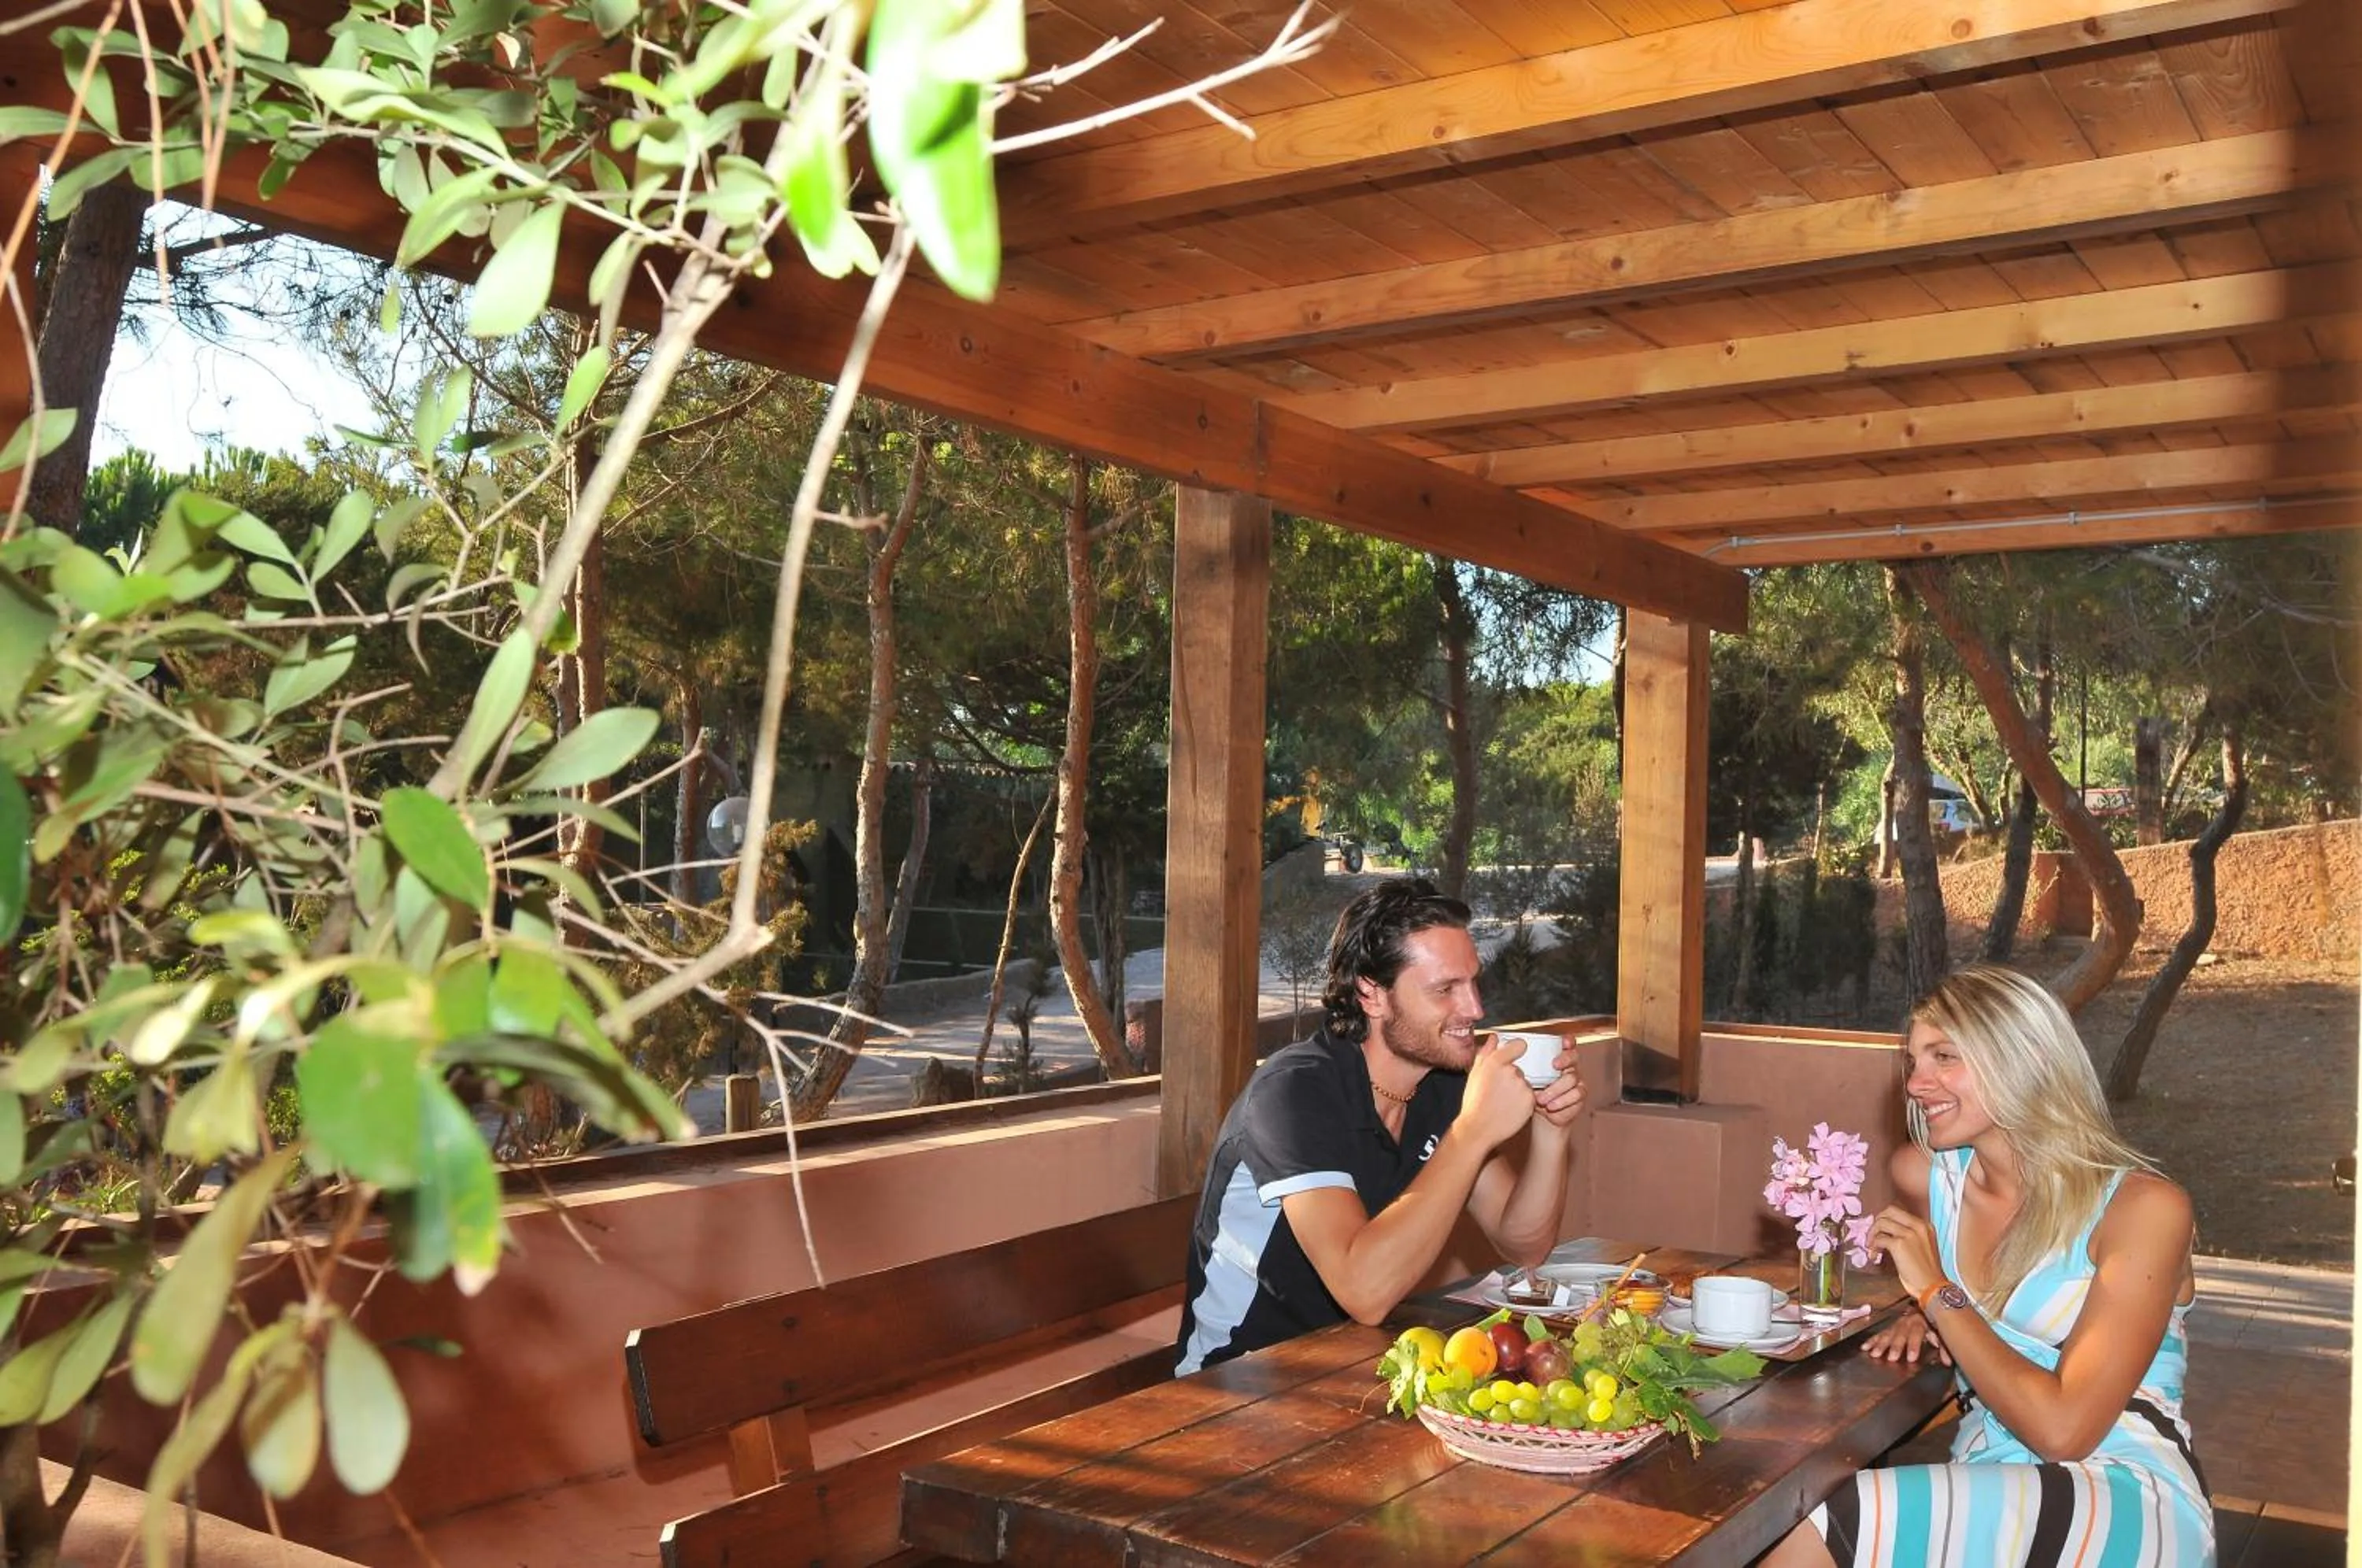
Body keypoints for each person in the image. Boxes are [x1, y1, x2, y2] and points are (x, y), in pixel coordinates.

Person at [1764, 964, 2212, 1567]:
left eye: (1944, 1057)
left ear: (2023, 1056)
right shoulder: (1925, 1177)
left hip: (2120, 1483)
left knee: (1825, 1524)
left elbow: (2065, 1432)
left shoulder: (2144, 1209)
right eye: (1913, 1062)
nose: (1918, 1084)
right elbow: (1979, 1316)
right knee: (1798, 1516)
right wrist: (1932, 1314)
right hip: (1988, 1467)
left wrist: (1936, 1294)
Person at [1173, 878, 1585, 1376]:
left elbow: (1525, 1246)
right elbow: (1364, 1292)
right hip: (1236, 1377)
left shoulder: (1442, 1084)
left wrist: (1550, 1129)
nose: (1474, 1010)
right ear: (1372, 994)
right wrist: (1473, 1132)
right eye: (1445, 989)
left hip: (1358, 1364)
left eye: (1474, 983)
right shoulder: (1294, 1093)